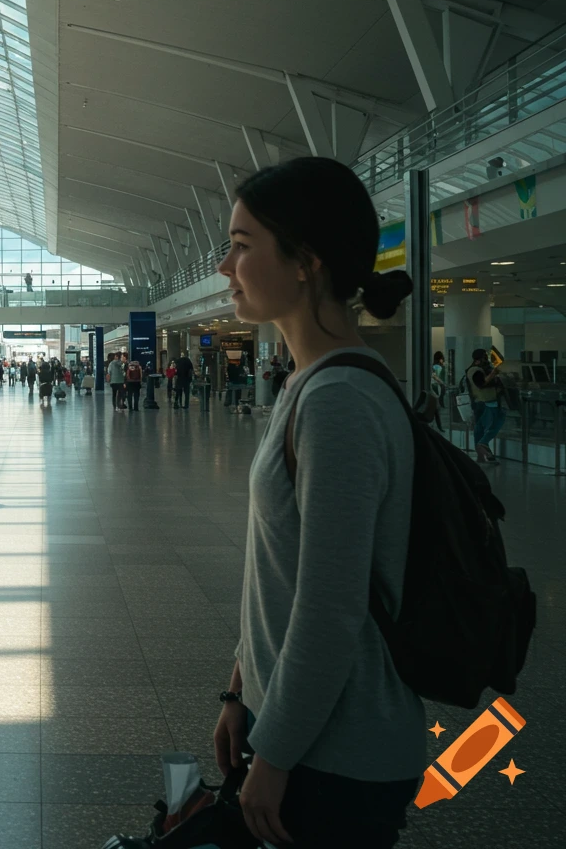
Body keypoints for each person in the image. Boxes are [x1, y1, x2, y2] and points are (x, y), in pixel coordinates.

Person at [213, 157, 422, 849]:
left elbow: (330, 607)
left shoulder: (338, 402)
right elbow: (282, 568)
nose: (225, 266)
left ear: (305, 261)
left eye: (243, 246)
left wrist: (274, 758)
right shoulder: (308, 386)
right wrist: (242, 689)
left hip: (337, 758)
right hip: (298, 732)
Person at [465, 348, 506, 464]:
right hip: (482, 402)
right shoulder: (475, 370)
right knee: (486, 426)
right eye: (485, 357)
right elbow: (481, 384)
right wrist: (493, 374)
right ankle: (484, 451)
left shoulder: (476, 369)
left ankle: (482, 454)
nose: (487, 360)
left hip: (481, 402)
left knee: (481, 427)